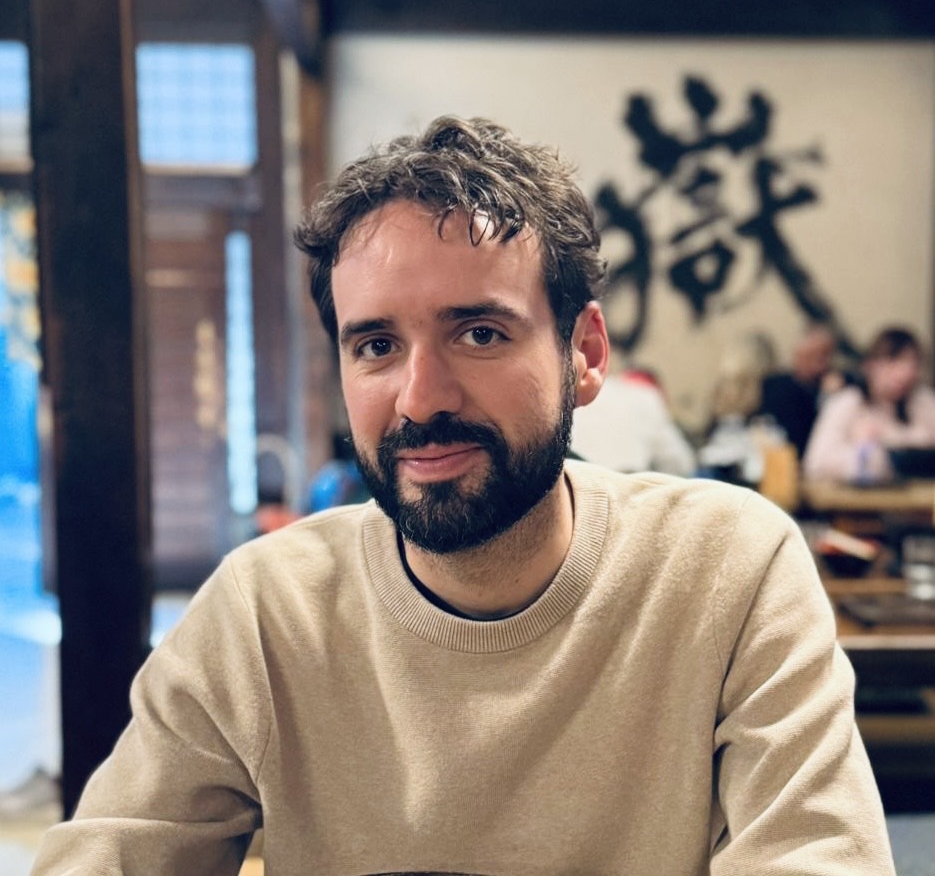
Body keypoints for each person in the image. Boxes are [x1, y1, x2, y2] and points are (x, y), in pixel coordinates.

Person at [33, 116, 894, 874]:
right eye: (374, 345)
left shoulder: (725, 571)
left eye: (478, 332)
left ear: (584, 351)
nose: (420, 397)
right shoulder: (268, 611)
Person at [804, 325, 935, 483]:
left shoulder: (923, 402)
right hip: (859, 505)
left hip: (921, 503)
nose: (904, 373)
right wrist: (863, 453)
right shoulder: (848, 403)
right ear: (871, 365)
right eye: (894, 361)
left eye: (912, 364)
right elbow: (816, 464)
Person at [571, 366, 696, 476]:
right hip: (623, 486)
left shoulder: (581, 389)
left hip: (573, 482)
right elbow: (680, 464)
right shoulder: (647, 398)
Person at [756, 323, 846, 457]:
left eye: (826, 356)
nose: (821, 364)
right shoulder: (775, 386)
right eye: (814, 355)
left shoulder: (830, 388)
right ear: (798, 353)